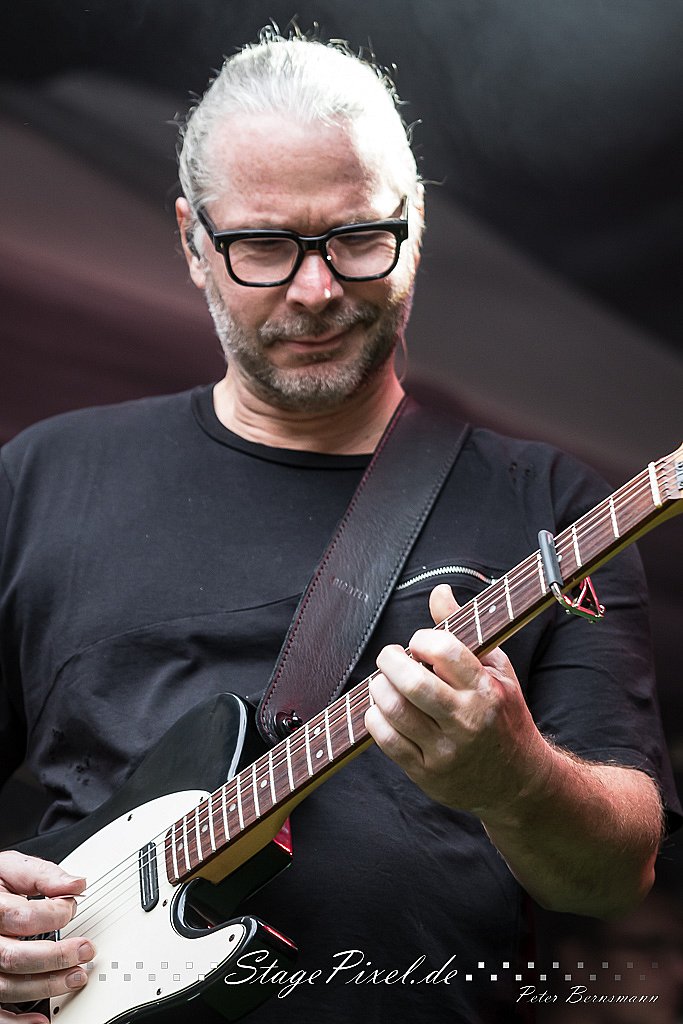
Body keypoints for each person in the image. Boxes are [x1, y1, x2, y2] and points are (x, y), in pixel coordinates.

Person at [0, 28, 679, 1024]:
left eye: (357, 238)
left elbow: (614, 876)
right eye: (264, 246)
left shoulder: (547, 501)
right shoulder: (40, 478)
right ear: (192, 242)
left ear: (415, 222)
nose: (316, 290)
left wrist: (516, 779)